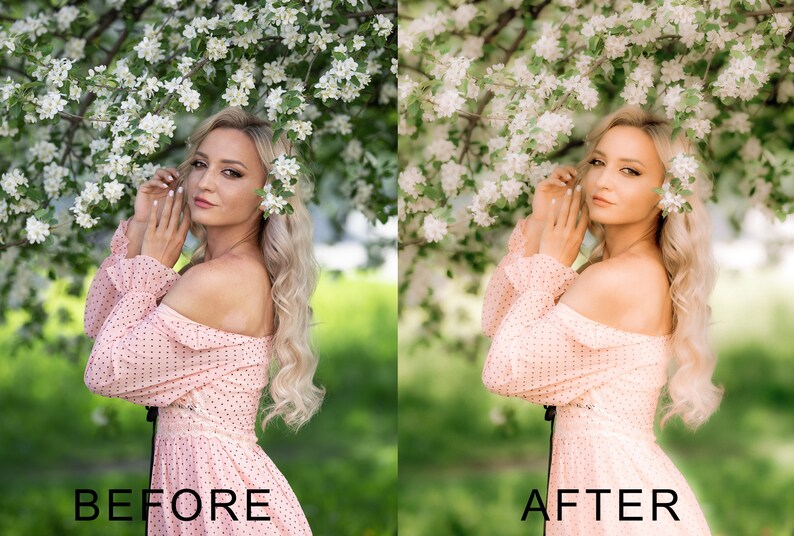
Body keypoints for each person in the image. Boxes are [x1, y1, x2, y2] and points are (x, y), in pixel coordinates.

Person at [481, 105, 722, 535]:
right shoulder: (616, 269)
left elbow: (502, 371)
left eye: (630, 171)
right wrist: (539, 227)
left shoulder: (620, 279)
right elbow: (500, 324)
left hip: (619, 505)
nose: (604, 181)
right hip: (606, 496)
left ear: (666, 192)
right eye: (597, 162)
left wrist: (551, 267)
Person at [83, 107, 323, 535]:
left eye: (231, 173)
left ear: (267, 193)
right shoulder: (212, 271)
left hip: (220, 499)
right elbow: (102, 326)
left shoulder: (221, 280)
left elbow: (104, 373)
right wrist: (141, 229)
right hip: (199, 493)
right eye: (199, 164)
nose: (205, 182)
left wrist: (150, 274)